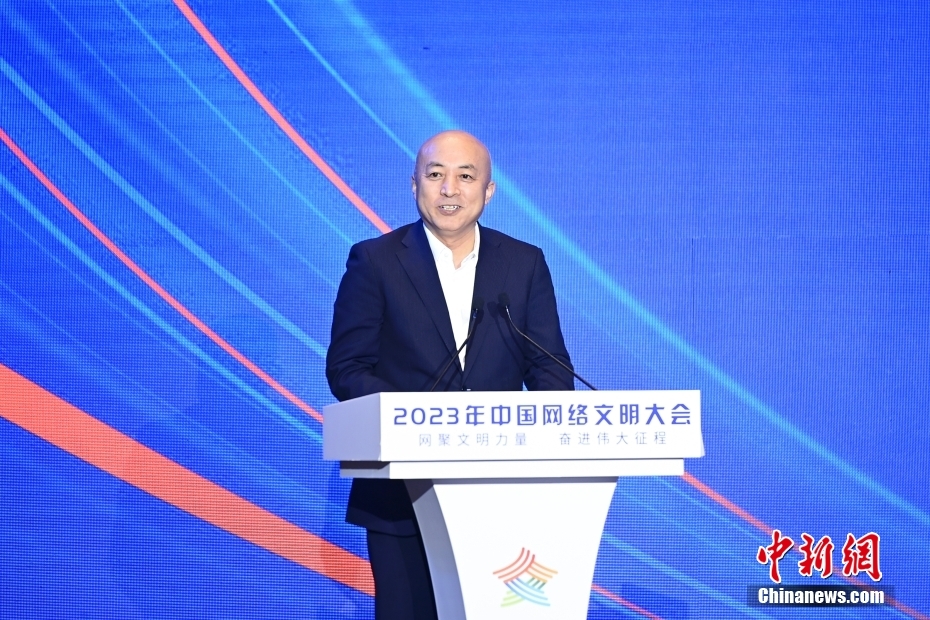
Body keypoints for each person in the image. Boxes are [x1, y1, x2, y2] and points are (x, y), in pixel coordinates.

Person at [326, 130, 574, 620]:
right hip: (402, 497)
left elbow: (550, 369)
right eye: (435, 174)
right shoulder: (375, 261)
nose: (449, 189)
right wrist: (419, 420)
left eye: (465, 176)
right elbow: (348, 368)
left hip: (501, 495)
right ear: (414, 184)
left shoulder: (523, 263)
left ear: (488, 190)